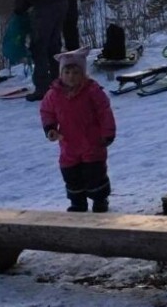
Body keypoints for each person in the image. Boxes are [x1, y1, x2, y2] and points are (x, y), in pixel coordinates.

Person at [40, 47, 116, 212]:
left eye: (76, 72)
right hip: (68, 143)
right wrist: (50, 128)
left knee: (94, 174)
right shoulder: (54, 94)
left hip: (92, 142)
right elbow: (46, 111)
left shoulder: (92, 91)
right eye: (67, 72)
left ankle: (100, 200)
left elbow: (104, 111)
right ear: (61, 74)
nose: (71, 77)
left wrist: (108, 133)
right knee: (71, 174)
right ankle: (77, 202)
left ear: (83, 74)